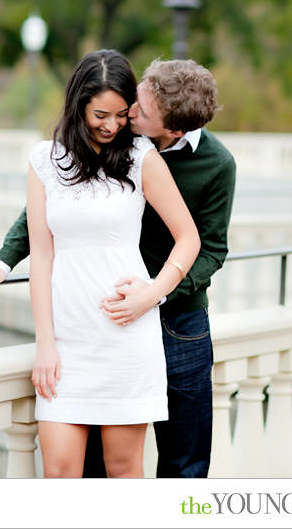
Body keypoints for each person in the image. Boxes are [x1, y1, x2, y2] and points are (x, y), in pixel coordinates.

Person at [0, 58, 236, 478]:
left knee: (181, 462)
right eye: (120, 109)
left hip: (173, 319)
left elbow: (205, 245)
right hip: (82, 325)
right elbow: (48, 219)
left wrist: (153, 292)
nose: (125, 119)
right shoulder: (71, 152)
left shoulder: (198, 162)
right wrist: (2, 262)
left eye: (131, 114)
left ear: (173, 130)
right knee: (77, 471)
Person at [23, 49, 200, 477]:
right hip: (67, 343)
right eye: (101, 113)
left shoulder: (141, 157)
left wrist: (152, 294)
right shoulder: (45, 161)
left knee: (123, 472)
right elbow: (42, 257)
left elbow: (189, 238)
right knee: (60, 474)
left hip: (125, 338)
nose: (112, 125)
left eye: (122, 114)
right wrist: (45, 343)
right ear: (78, 103)